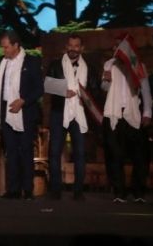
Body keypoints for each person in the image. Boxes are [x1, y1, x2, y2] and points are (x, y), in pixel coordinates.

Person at [0, 30, 44, 200]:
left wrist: (23, 101)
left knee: (26, 150)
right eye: (3, 47)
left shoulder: (31, 62)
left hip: (25, 112)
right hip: (5, 111)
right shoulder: (1, 62)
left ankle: (28, 189)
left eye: (6, 47)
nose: (4, 50)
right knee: (11, 151)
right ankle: (13, 190)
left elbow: (39, 89)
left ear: (16, 45)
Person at [45, 34, 100, 201]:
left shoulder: (90, 68)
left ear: (81, 48)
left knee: (80, 153)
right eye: (70, 45)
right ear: (66, 47)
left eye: (76, 46)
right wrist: (63, 92)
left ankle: (78, 191)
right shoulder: (55, 64)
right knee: (54, 152)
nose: (73, 49)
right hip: (59, 112)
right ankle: (55, 190)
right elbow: (47, 85)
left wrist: (86, 97)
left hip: (79, 113)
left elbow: (95, 91)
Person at [102, 34, 153, 203]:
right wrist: (106, 80)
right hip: (114, 114)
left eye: (122, 45)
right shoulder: (109, 64)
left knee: (140, 155)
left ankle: (138, 192)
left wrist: (147, 112)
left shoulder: (138, 65)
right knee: (115, 155)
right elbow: (104, 87)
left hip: (133, 114)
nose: (119, 48)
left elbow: (145, 90)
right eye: (117, 45)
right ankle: (119, 192)